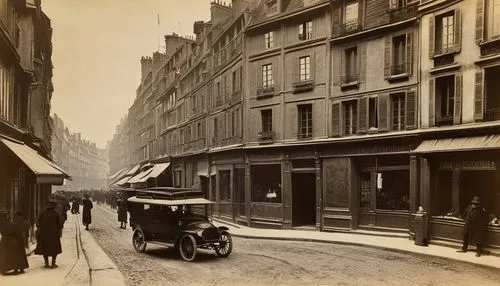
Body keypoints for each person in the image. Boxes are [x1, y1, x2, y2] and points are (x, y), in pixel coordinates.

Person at [0, 210, 29, 275]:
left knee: (4, 255)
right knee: (17, 253)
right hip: (13, 241)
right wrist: (21, 242)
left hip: (4, 241)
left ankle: (3, 269)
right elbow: (18, 235)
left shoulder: (1, 225)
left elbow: (2, 233)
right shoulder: (14, 224)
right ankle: (17, 269)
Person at [35, 200, 62, 268]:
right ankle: (53, 264)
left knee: (44, 248)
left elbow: (38, 222)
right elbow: (59, 224)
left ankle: (46, 263)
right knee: (54, 249)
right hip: (54, 234)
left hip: (44, 234)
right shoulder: (56, 213)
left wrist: (41, 227)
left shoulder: (43, 213)